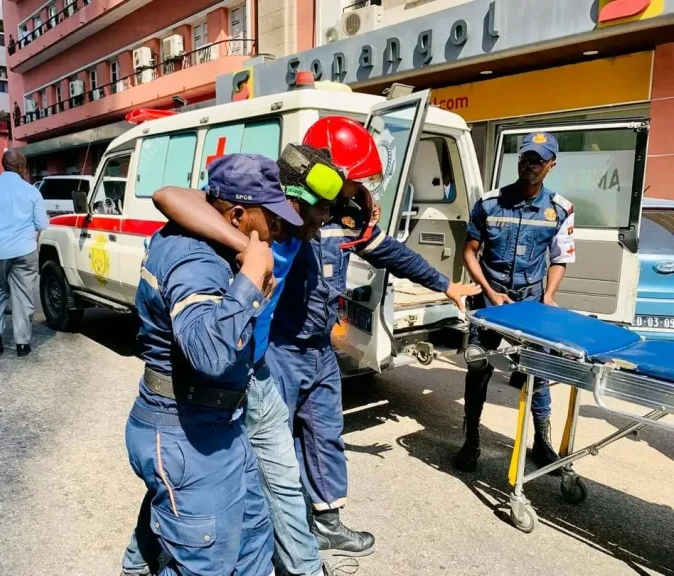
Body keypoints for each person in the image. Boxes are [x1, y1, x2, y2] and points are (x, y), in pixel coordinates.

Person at [149, 117, 480, 559]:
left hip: (320, 348)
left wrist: (445, 284)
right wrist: (246, 247)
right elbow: (171, 197)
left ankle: (324, 524)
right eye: (355, 181)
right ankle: (269, 540)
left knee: (325, 434)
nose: (358, 193)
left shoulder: (342, 214)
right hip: (276, 350)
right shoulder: (274, 212)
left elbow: (389, 251)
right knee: (271, 451)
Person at [122, 144, 343, 576]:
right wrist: (248, 275)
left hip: (223, 419)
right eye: (273, 216)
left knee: (250, 538)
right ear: (239, 214)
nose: (281, 227)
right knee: (205, 557)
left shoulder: (230, 237)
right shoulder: (194, 259)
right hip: (187, 424)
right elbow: (208, 354)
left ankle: (139, 559)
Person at [455, 132, 576, 474]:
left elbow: (559, 258)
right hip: (490, 300)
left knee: (538, 372)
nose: (530, 165)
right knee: (478, 368)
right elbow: (469, 252)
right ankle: (471, 440)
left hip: (531, 303)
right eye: (526, 158)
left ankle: (542, 442)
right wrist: (489, 291)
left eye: (538, 160)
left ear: (551, 166)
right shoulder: (490, 203)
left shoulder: (560, 209)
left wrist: (549, 296)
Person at [0, 150, 49, 357]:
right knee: (23, 294)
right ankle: (22, 343)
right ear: (21, 167)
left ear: (4, 165)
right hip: (25, 250)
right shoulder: (31, 191)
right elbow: (42, 223)